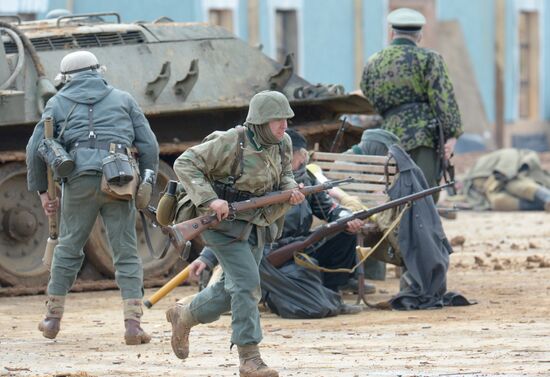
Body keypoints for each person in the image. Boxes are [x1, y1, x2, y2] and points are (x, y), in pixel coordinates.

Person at [165, 91, 305, 377]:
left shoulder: (283, 144)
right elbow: (185, 163)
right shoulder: (232, 141)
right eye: (278, 120)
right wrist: (210, 200)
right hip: (220, 224)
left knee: (230, 292)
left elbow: (284, 175)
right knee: (247, 284)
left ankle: (185, 314)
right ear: (261, 121)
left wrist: (291, 191)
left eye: (286, 120)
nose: (284, 126)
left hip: (257, 223)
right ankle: (249, 358)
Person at [26, 51, 159, 345]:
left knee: (69, 247)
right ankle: (133, 325)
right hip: (119, 179)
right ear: (97, 71)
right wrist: (148, 180)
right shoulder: (123, 99)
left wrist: (43, 192)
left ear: (67, 78)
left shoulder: (56, 102)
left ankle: (52, 319)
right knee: (125, 251)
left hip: (78, 180)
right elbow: (148, 144)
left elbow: (36, 146)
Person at [189, 128, 374, 318]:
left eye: (288, 155)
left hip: (302, 245)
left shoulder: (306, 180)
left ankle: (332, 293)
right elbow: (234, 222)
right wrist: (207, 258)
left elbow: (330, 209)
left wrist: (346, 217)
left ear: (301, 157)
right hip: (271, 250)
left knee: (345, 233)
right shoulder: (261, 182)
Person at [360, 7, 463, 202]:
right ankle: (421, 233)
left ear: (392, 33)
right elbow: (444, 100)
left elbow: (368, 94)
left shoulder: (374, 62)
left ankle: (398, 231)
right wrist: (452, 135)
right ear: (419, 36)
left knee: (394, 192)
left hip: (389, 135)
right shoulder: (430, 59)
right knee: (423, 193)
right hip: (423, 137)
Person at [445, 148, 550, 211]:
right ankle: (543, 206)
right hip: (495, 190)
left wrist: (504, 171)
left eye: (455, 183)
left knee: (520, 187)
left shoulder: (480, 165)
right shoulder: (470, 191)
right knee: (499, 202)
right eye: (454, 188)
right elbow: (473, 203)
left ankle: (547, 198)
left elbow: (509, 154)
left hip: (513, 175)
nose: (457, 186)